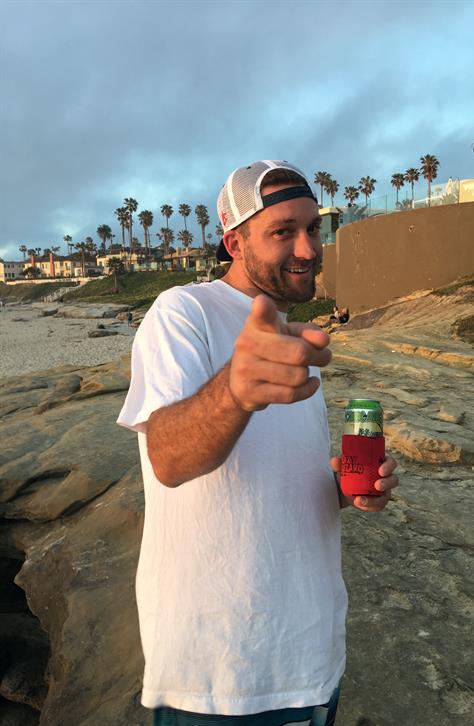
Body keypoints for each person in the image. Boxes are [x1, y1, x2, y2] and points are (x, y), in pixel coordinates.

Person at [117, 160, 399, 725]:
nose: (307, 247)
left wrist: (347, 487)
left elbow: (276, 473)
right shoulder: (182, 313)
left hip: (311, 661)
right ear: (234, 242)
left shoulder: (288, 333)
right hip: (221, 678)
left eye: (313, 228)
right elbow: (167, 458)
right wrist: (236, 391)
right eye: (282, 231)